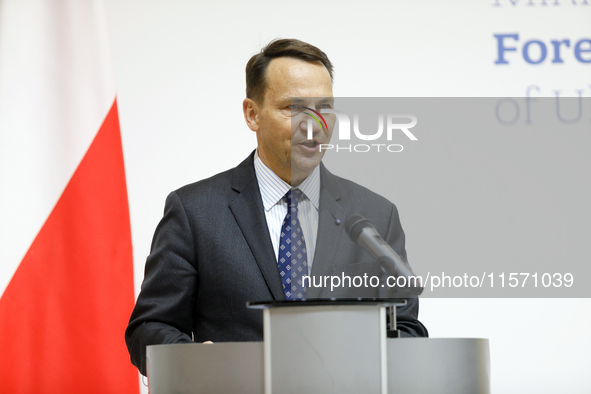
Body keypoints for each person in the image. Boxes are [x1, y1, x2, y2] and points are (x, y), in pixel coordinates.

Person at [125, 38, 428, 376]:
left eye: (325, 107)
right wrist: (198, 362)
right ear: (252, 114)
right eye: (293, 107)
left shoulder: (376, 215)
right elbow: (149, 328)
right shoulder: (195, 212)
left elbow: (407, 329)